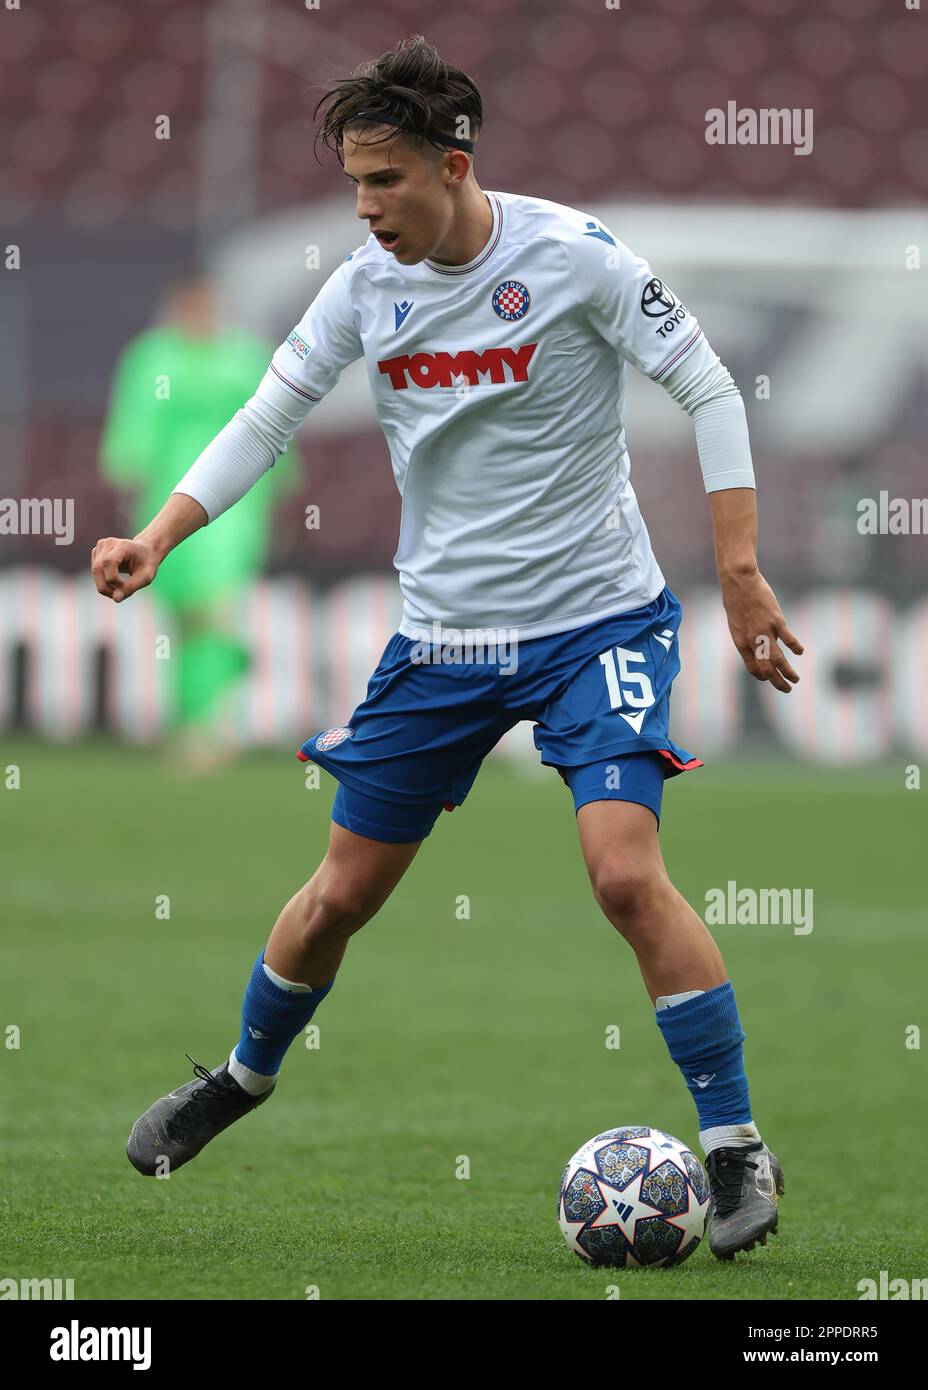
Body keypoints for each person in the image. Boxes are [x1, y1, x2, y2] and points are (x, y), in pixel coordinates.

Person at [92, 36, 803, 1261]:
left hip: (597, 622)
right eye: (354, 185)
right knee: (338, 899)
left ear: (454, 166)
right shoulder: (366, 286)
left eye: (386, 181)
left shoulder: (574, 257)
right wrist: (160, 533)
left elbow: (712, 389)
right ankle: (243, 1077)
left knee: (623, 872)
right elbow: (268, 416)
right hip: (443, 639)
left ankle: (736, 1146)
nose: (365, 209)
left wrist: (738, 572)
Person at [99, 272, 299, 770]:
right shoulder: (152, 358)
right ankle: (193, 716)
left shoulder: (245, 356)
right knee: (184, 618)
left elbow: (271, 426)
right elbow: (133, 431)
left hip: (233, 506)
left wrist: (280, 491)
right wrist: (128, 478)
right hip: (164, 502)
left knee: (216, 605)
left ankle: (213, 727)